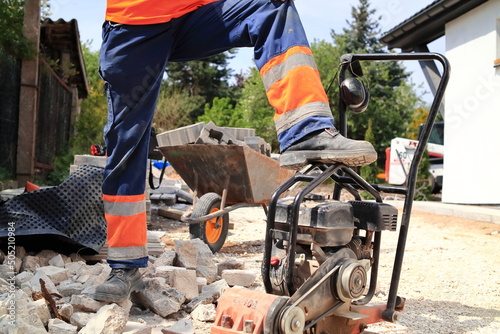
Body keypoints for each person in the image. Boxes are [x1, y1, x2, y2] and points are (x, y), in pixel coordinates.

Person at [92, 0, 377, 303]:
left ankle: (306, 129)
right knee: (127, 148)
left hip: (194, 13)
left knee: (270, 6)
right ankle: (125, 265)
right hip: (135, 25)